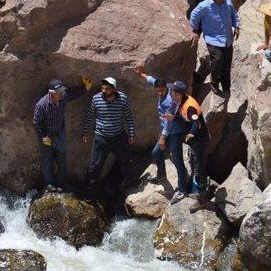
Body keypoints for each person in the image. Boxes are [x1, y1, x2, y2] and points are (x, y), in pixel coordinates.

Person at [134, 64, 189, 204]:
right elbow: (152, 80)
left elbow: (169, 121)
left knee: (177, 160)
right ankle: (161, 175)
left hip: (175, 131)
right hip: (166, 127)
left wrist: (163, 138)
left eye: (162, 91)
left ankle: (182, 189)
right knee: (156, 153)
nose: (159, 93)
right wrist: (142, 74)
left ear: (166, 88)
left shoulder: (171, 100)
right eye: (157, 91)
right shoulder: (164, 85)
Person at [33, 77, 93, 192]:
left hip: (60, 131)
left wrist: (85, 87)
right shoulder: (41, 105)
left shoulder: (63, 97)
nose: (62, 93)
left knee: (62, 158)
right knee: (47, 159)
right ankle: (49, 183)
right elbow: (36, 122)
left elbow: (73, 94)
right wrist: (43, 136)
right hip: (47, 134)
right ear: (51, 93)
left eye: (62, 91)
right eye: (59, 92)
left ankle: (61, 183)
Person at [82, 76, 136, 194]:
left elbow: (129, 117)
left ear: (114, 89)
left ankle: (131, 185)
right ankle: (89, 190)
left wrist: (131, 134)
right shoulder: (96, 99)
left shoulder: (122, 99)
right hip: (101, 137)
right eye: (103, 88)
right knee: (95, 166)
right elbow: (89, 115)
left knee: (126, 161)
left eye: (107, 89)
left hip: (119, 136)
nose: (104, 91)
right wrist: (84, 132)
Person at [164, 81, 211, 213]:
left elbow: (197, 123)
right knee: (197, 167)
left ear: (177, 94)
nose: (170, 92)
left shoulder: (190, 106)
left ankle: (203, 199)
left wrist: (191, 133)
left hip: (200, 141)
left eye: (172, 91)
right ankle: (200, 192)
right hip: (195, 140)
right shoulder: (183, 101)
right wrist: (173, 118)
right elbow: (185, 119)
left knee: (199, 169)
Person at [190, 0, 241, 97]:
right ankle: (214, 83)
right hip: (213, 39)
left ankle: (226, 87)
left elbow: (234, 14)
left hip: (227, 39)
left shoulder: (227, 2)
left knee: (227, 65)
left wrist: (237, 26)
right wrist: (195, 30)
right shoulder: (204, 6)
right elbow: (194, 15)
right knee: (218, 60)